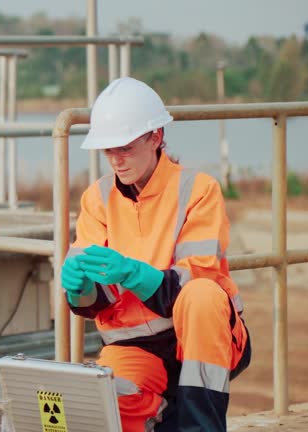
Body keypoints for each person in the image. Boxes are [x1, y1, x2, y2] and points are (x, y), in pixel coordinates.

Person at [61, 77, 251, 432]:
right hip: (136, 348)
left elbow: (197, 282)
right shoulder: (97, 198)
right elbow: (93, 300)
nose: (116, 159)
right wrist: (79, 289)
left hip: (202, 337)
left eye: (126, 147)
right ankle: (170, 418)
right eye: (108, 150)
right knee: (103, 405)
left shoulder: (198, 190)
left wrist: (134, 273)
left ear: (156, 137)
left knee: (202, 295)